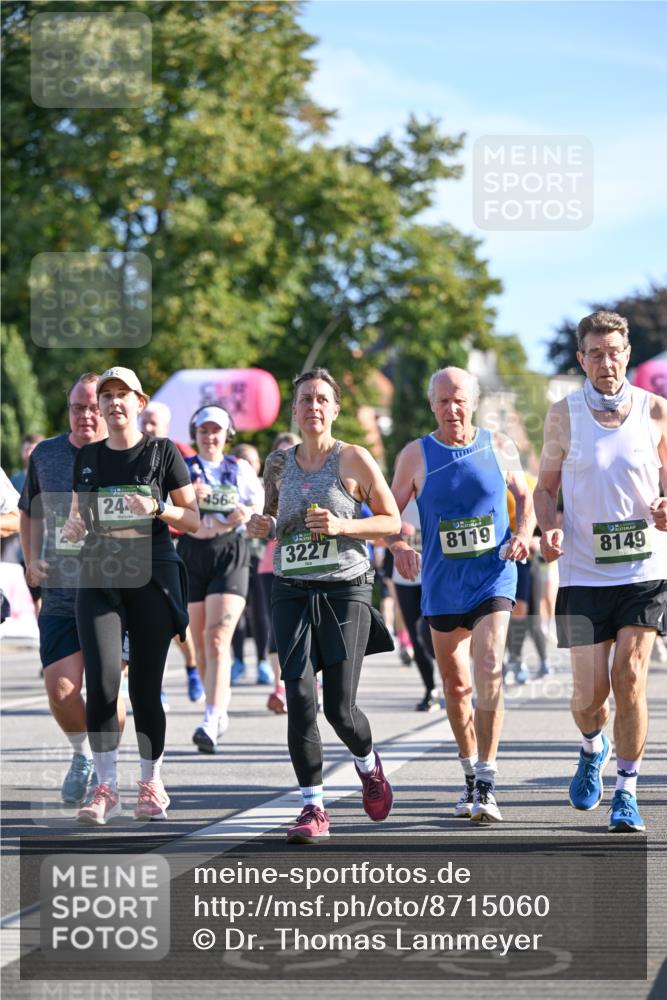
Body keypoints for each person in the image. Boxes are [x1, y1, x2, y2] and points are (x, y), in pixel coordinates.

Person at [248, 367, 400, 844]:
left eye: (321, 400)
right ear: (294, 410)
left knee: (339, 708)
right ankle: (313, 807)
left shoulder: (353, 459)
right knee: (298, 698)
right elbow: (278, 520)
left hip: (345, 587)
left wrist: (342, 527)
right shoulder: (278, 463)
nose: (313, 406)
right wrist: (263, 527)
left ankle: (367, 764)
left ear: (334, 410)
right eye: (305, 399)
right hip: (291, 585)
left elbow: (391, 520)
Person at [534, 310, 667, 833]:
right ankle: (593, 747)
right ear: (581, 359)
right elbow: (545, 490)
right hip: (583, 572)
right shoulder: (563, 416)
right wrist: (547, 529)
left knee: (630, 676)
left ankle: (627, 790)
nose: (605, 362)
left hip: (644, 568)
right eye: (595, 353)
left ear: (627, 354)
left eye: (614, 352)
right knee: (590, 696)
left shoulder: (657, 412)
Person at [389, 367, 533, 823]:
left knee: (489, 667)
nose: (452, 409)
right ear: (432, 405)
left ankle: (488, 780)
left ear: (473, 402)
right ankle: (469, 772)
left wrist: (524, 533)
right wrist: (397, 546)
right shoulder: (415, 455)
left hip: (494, 574)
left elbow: (525, 500)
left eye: (460, 400)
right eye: (444, 401)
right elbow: (388, 513)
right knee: (457, 684)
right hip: (442, 582)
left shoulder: (499, 445)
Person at [61, 367, 199, 824]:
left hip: (152, 576)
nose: (114, 403)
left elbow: (193, 519)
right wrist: (73, 528)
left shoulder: (162, 452)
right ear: (98, 407)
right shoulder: (88, 458)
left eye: (123, 395)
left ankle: (151, 783)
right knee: (101, 684)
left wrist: (159, 507)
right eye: (107, 396)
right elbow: (78, 521)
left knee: (144, 687)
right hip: (100, 574)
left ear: (139, 403)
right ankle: (105, 787)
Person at [18, 373, 126, 804]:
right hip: (62, 591)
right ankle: (83, 755)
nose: (85, 414)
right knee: (61, 690)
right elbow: (29, 512)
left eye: (92, 406)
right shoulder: (46, 455)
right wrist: (31, 559)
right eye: (77, 407)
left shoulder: (127, 452)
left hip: (116, 592)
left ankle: (106, 777)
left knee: (107, 691)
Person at [178, 405, 264, 753]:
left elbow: (258, 511)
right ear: (195, 434)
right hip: (192, 554)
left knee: (217, 638)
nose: (210, 436)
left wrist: (244, 514)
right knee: (198, 643)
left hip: (230, 552)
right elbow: (166, 509)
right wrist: (190, 501)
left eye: (216, 430)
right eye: (203, 430)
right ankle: (216, 707)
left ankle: (212, 718)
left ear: (227, 434)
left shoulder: (239, 468)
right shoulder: (183, 470)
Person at [139, 400, 204, 704]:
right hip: (136, 552)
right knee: (143, 625)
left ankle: (192, 667)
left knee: (176, 623)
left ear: (166, 427)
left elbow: (193, 507)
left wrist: (198, 493)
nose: (147, 427)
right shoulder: (128, 451)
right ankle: (156, 685)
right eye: (145, 421)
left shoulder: (177, 453)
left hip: (175, 545)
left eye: (153, 423)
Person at [255, 432, 302, 713]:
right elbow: (264, 516)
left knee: (305, 625)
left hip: (305, 562)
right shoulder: (270, 484)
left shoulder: (313, 476)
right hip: (271, 562)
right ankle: (280, 686)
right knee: (277, 626)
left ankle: (312, 681)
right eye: (281, 455)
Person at [391, 498, 442, 711]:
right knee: (415, 634)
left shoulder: (436, 483)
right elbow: (379, 530)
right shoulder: (396, 493)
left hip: (437, 573)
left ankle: (457, 682)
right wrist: (396, 533)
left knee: (441, 631)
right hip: (406, 577)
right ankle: (430, 689)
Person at [230, 442, 273, 686]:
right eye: (244, 459)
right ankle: (237, 660)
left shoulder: (264, 488)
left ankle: (262, 661)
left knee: (259, 610)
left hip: (258, 555)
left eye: (253, 460)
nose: (249, 464)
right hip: (234, 554)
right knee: (235, 611)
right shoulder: (229, 487)